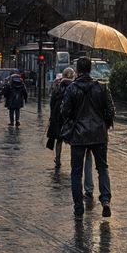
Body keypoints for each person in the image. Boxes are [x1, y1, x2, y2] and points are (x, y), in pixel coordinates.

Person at [59, 57, 114, 219]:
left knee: (76, 173)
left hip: (78, 135)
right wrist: (104, 125)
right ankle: (105, 201)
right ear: (90, 69)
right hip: (98, 133)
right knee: (102, 168)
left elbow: (65, 111)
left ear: (78, 70)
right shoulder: (102, 88)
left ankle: (78, 210)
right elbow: (111, 111)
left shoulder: (72, 89)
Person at [47, 68, 93, 197]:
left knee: (58, 139)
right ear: (72, 75)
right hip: (69, 118)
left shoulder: (57, 85)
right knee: (73, 139)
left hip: (57, 115)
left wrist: (52, 115)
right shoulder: (73, 87)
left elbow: (52, 102)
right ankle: (74, 159)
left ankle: (58, 158)